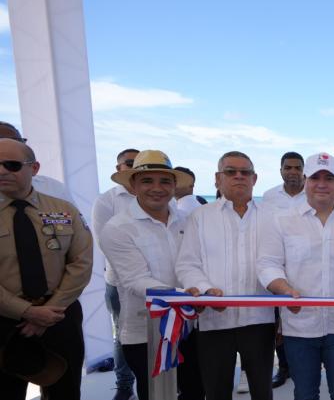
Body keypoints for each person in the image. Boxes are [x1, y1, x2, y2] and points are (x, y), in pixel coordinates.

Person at [257, 152, 334, 400]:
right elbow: (267, 264)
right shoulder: (281, 221)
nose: (322, 184)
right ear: (305, 180)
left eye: (329, 178)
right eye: (315, 177)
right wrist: (283, 288)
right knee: (304, 393)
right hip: (299, 327)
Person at [98, 150, 203, 400]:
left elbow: (197, 264)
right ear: (133, 186)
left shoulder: (188, 220)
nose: (157, 188)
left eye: (165, 181)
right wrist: (189, 296)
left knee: (196, 392)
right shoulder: (117, 229)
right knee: (156, 395)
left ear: (174, 186)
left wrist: (202, 288)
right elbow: (135, 280)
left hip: (190, 328)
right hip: (144, 332)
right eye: (147, 181)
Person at [175, 151, 276, 399]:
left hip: (259, 320)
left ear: (254, 179)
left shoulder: (272, 217)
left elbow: (279, 263)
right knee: (217, 391)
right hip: (214, 319)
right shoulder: (200, 216)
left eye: (246, 172)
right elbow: (186, 264)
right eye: (231, 172)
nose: (239, 177)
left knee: (263, 391)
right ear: (218, 179)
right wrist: (206, 290)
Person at [0, 139, 93, 400]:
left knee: (65, 392)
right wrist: (28, 312)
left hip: (59, 316)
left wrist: (51, 310)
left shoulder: (64, 210)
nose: (2, 171)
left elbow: (81, 263)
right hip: (4, 320)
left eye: (12, 165)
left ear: (35, 168)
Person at [91, 147, 140, 400]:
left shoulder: (163, 197)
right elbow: (105, 244)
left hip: (162, 284)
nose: (134, 167)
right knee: (123, 336)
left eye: (139, 162)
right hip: (119, 282)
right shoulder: (107, 200)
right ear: (118, 168)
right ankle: (124, 386)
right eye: (129, 163)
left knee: (162, 335)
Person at [260, 151, 305, 387]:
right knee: (278, 321)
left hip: (304, 268)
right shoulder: (269, 197)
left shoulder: (312, 195)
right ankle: (284, 367)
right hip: (277, 268)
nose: (293, 172)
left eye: (297, 168)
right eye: (288, 168)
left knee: (301, 316)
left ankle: (302, 369)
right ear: (281, 170)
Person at [0, 122, 73, 203]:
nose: (8, 146)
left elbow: (73, 215)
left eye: (15, 141)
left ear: (35, 168)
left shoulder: (52, 188)